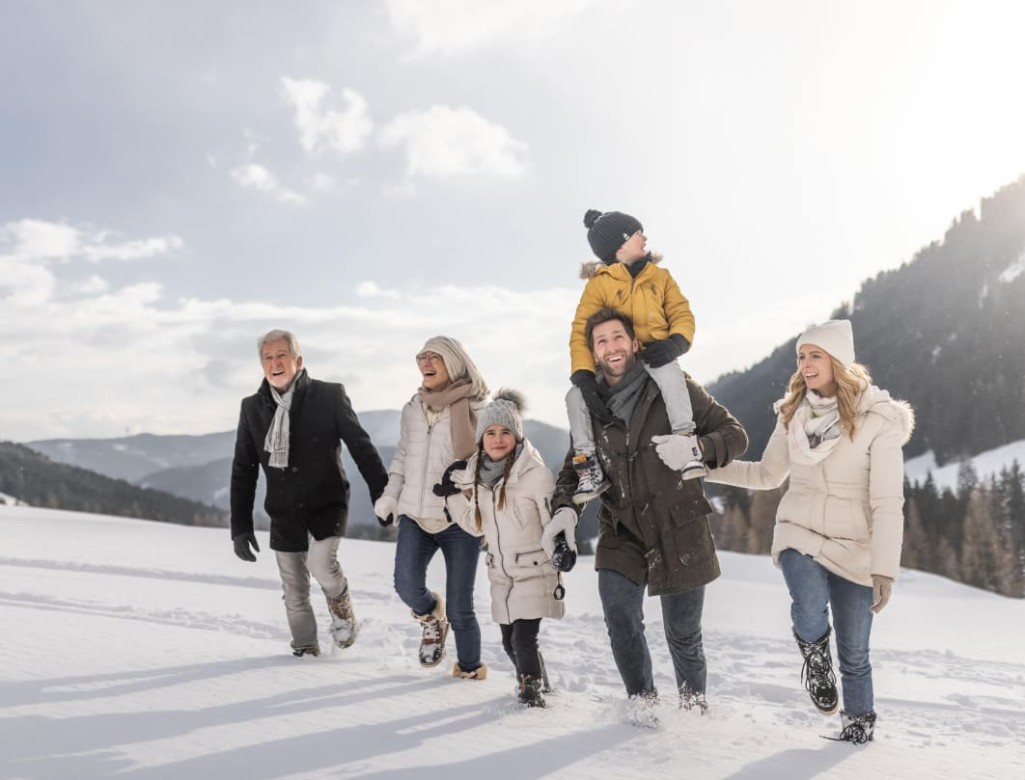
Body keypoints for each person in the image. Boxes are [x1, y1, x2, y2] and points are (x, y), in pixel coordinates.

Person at [704, 319, 914, 744]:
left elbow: (887, 503)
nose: (805, 363)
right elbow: (766, 474)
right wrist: (705, 467)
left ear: (838, 361)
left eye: (815, 355)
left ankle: (857, 728)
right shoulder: (792, 415)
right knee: (809, 604)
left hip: (854, 546)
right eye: (801, 356)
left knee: (855, 652)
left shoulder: (878, 421)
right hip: (798, 531)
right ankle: (816, 658)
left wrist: (884, 569)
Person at [545, 308, 749, 723]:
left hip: (679, 524)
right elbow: (574, 466)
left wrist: (696, 450)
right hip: (621, 527)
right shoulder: (587, 404)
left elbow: (735, 435)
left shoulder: (670, 386)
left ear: (634, 343)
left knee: (683, 635)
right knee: (621, 619)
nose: (611, 347)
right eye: (601, 341)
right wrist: (565, 511)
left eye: (617, 337)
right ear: (593, 353)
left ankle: (694, 714)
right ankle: (643, 705)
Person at [230, 329, 388, 657]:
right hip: (283, 511)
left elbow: (362, 447)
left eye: (281, 355)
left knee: (321, 564)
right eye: (268, 357)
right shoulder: (252, 408)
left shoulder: (328, 396)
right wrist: (241, 527)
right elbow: (243, 471)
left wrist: (382, 495)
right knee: (294, 592)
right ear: (262, 365)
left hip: (326, 503)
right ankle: (305, 653)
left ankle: (340, 605)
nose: (275, 363)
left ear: (297, 360)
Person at [438, 389, 566, 708]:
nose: (498, 439)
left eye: (505, 432)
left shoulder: (537, 476)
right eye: (491, 433)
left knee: (524, 639)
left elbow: (553, 518)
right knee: (510, 642)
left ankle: (531, 696)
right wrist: (453, 495)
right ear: (482, 439)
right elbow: (475, 524)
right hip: (502, 575)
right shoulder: (480, 479)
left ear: (517, 436)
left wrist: (562, 544)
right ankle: (539, 681)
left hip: (535, 569)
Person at [566, 208, 703, 505]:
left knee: (671, 375)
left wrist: (676, 343)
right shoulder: (600, 284)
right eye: (638, 233)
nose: (645, 238)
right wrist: (585, 376)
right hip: (618, 362)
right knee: (574, 397)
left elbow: (681, 312)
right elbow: (581, 330)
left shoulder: (660, 277)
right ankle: (587, 464)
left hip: (656, 354)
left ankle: (686, 442)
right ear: (621, 244)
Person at [374, 337, 490, 680]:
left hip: (459, 519)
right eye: (420, 357)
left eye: (432, 357)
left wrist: (465, 481)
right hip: (415, 514)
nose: (424, 362)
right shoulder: (413, 407)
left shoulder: (479, 409)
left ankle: (469, 672)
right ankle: (430, 618)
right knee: (406, 585)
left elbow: (491, 463)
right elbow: (403, 458)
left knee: (461, 607)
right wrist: (391, 497)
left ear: (452, 362)